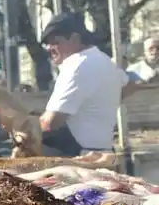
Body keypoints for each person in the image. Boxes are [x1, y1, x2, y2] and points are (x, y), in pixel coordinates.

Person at [37, 12, 132, 155]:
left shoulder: (75, 66)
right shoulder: (103, 60)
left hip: (78, 157)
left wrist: (27, 126)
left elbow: (51, 123)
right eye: (47, 44)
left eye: (55, 42)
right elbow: (128, 86)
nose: (49, 48)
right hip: (102, 150)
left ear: (75, 39)